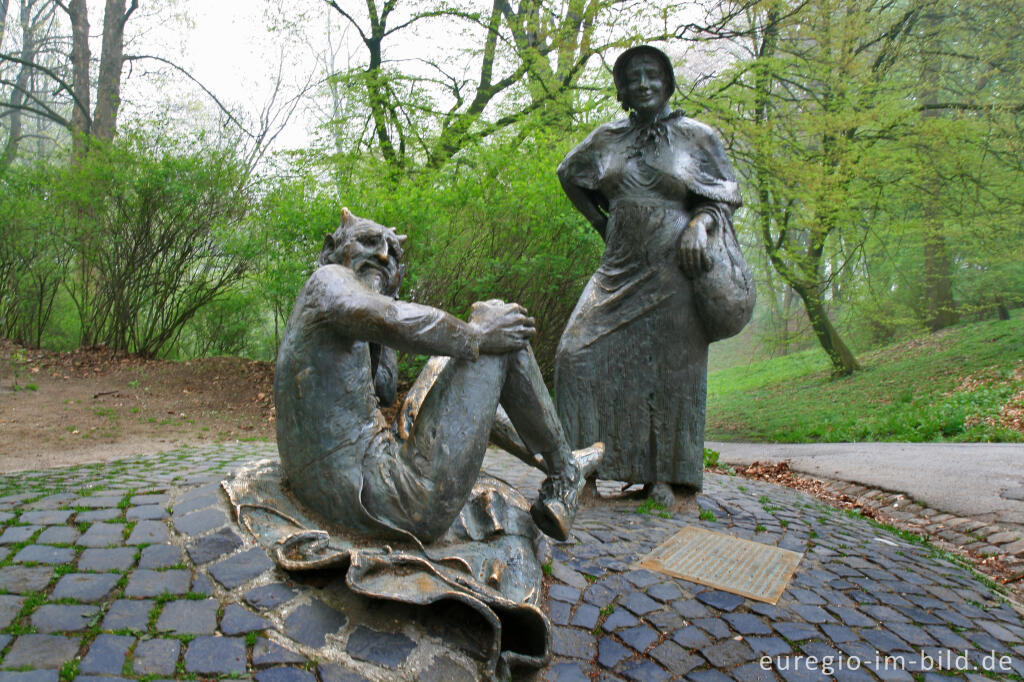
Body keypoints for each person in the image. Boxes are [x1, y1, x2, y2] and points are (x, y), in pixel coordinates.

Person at [274, 208, 602, 544]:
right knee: (500, 330)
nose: (384, 255)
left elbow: (385, 388)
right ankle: (564, 472)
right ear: (331, 249)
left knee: (444, 359)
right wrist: (477, 334)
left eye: (393, 253)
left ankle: (561, 463)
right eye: (370, 242)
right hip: (391, 499)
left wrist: (382, 301)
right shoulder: (327, 279)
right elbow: (389, 317)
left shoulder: (346, 307)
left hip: (347, 480)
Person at [554, 45, 753, 502]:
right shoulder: (607, 138)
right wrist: (601, 222)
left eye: (651, 75)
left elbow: (724, 195)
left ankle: (665, 478)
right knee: (574, 355)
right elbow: (568, 174)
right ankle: (575, 472)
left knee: (668, 373)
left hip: (676, 271)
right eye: (633, 77)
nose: (643, 83)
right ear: (621, 89)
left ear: (667, 82)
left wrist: (701, 225)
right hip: (619, 269)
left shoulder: (697, 136)